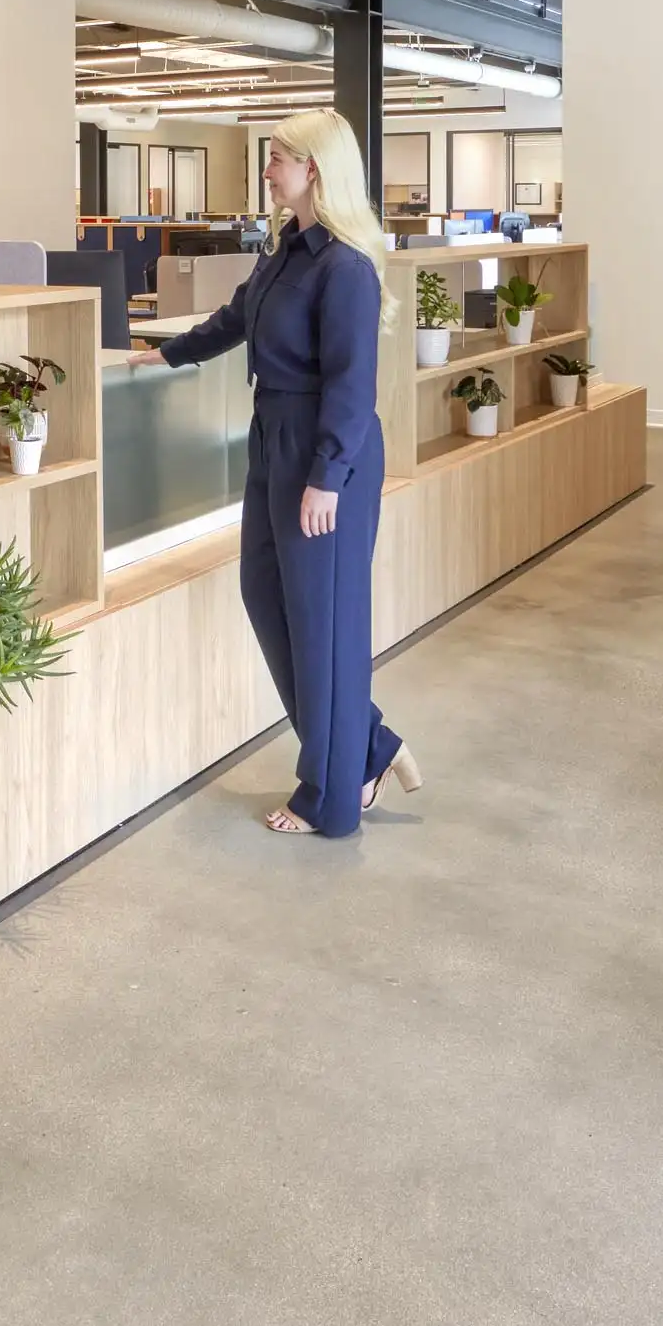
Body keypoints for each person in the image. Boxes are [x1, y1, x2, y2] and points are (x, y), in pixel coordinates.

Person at [138, 109, 417, 837]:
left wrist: (327, 474)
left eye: (278, 158)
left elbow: (354, 385)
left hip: (325, 450)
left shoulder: (346, 266)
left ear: (313, 169)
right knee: (265, 594)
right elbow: (238, 317)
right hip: (273, 436)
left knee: (324, 626)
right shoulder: (287, 247)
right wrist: (170, 353)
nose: (267, 170)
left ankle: (332, 791)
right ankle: (370, 746)